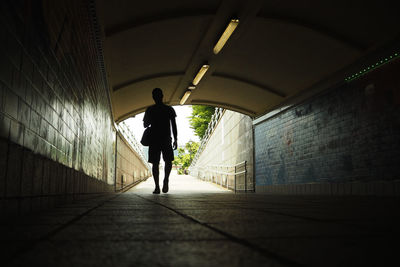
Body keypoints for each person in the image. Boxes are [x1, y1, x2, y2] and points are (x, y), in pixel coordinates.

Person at [143, 88, 178, 194]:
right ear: (162, 96)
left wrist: (151, 120)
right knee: (168, 161)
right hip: (166, 138)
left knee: (155, 163)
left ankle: (157, 187)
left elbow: (145, 125)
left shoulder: (150, 109)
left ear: (153, 97)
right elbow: (174, 125)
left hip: (154, 139)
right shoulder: (169, 109)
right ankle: (166, 180)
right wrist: (176, 139)